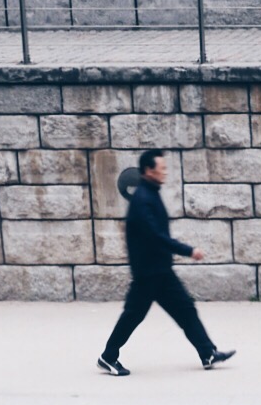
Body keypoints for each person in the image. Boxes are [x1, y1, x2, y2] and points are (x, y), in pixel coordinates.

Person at [98, 150, 235, 375]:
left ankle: (207, 352)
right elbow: (156, 237)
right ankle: (108, 356)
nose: (165, 172)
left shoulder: (150, 194)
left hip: (160, 272)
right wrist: (189, 250)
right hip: (148, 274)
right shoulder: (143, 200)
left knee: (186, 311)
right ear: (148, 171)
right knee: (133, 315)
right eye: (161, 169)